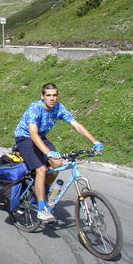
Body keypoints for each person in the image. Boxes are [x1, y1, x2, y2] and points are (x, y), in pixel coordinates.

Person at [14, 83, 104, 222]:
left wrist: (95, 142)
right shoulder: (35, 108)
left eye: (54, 95)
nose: (52, 98)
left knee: (57, 164)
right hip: (25, 137)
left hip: (40, 137)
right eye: (48, 95)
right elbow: (33, 133)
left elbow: (77, 125)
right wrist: (48, 152)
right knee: (41, 169)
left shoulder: (59, 108)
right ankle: (41, 209)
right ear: (42, 96)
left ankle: (44, 193)